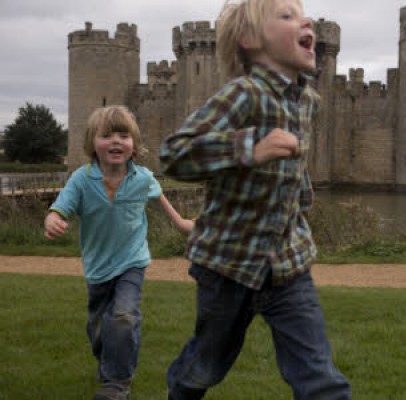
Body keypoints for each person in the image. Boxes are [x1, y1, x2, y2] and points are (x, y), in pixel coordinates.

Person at [159, 0, 351, 399]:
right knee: (206, 369)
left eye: (303, 15)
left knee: (320, 378)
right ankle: (180, 387)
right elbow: (175, 153)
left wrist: (299, 199)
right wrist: (250, 146)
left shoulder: (308, 101)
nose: (305, 21)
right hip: (228, 265)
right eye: (287, 17)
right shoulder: (242, 94)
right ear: (249, 40)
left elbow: (292, 166)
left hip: (288, 264)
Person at [44, 105, 194, 400]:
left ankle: (117, 384)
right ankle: (107, 360)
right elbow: (60, 207)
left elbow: (160, 198)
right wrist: (53, 219)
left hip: (132, 261)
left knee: (124, 317)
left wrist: (182, 223)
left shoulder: (143, 178)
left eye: (124, 135)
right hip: (97, 266)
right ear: (92, 143)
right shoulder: (81, 179)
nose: (116, 141)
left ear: (134, 145)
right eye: (107, 135)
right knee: (99, 327)